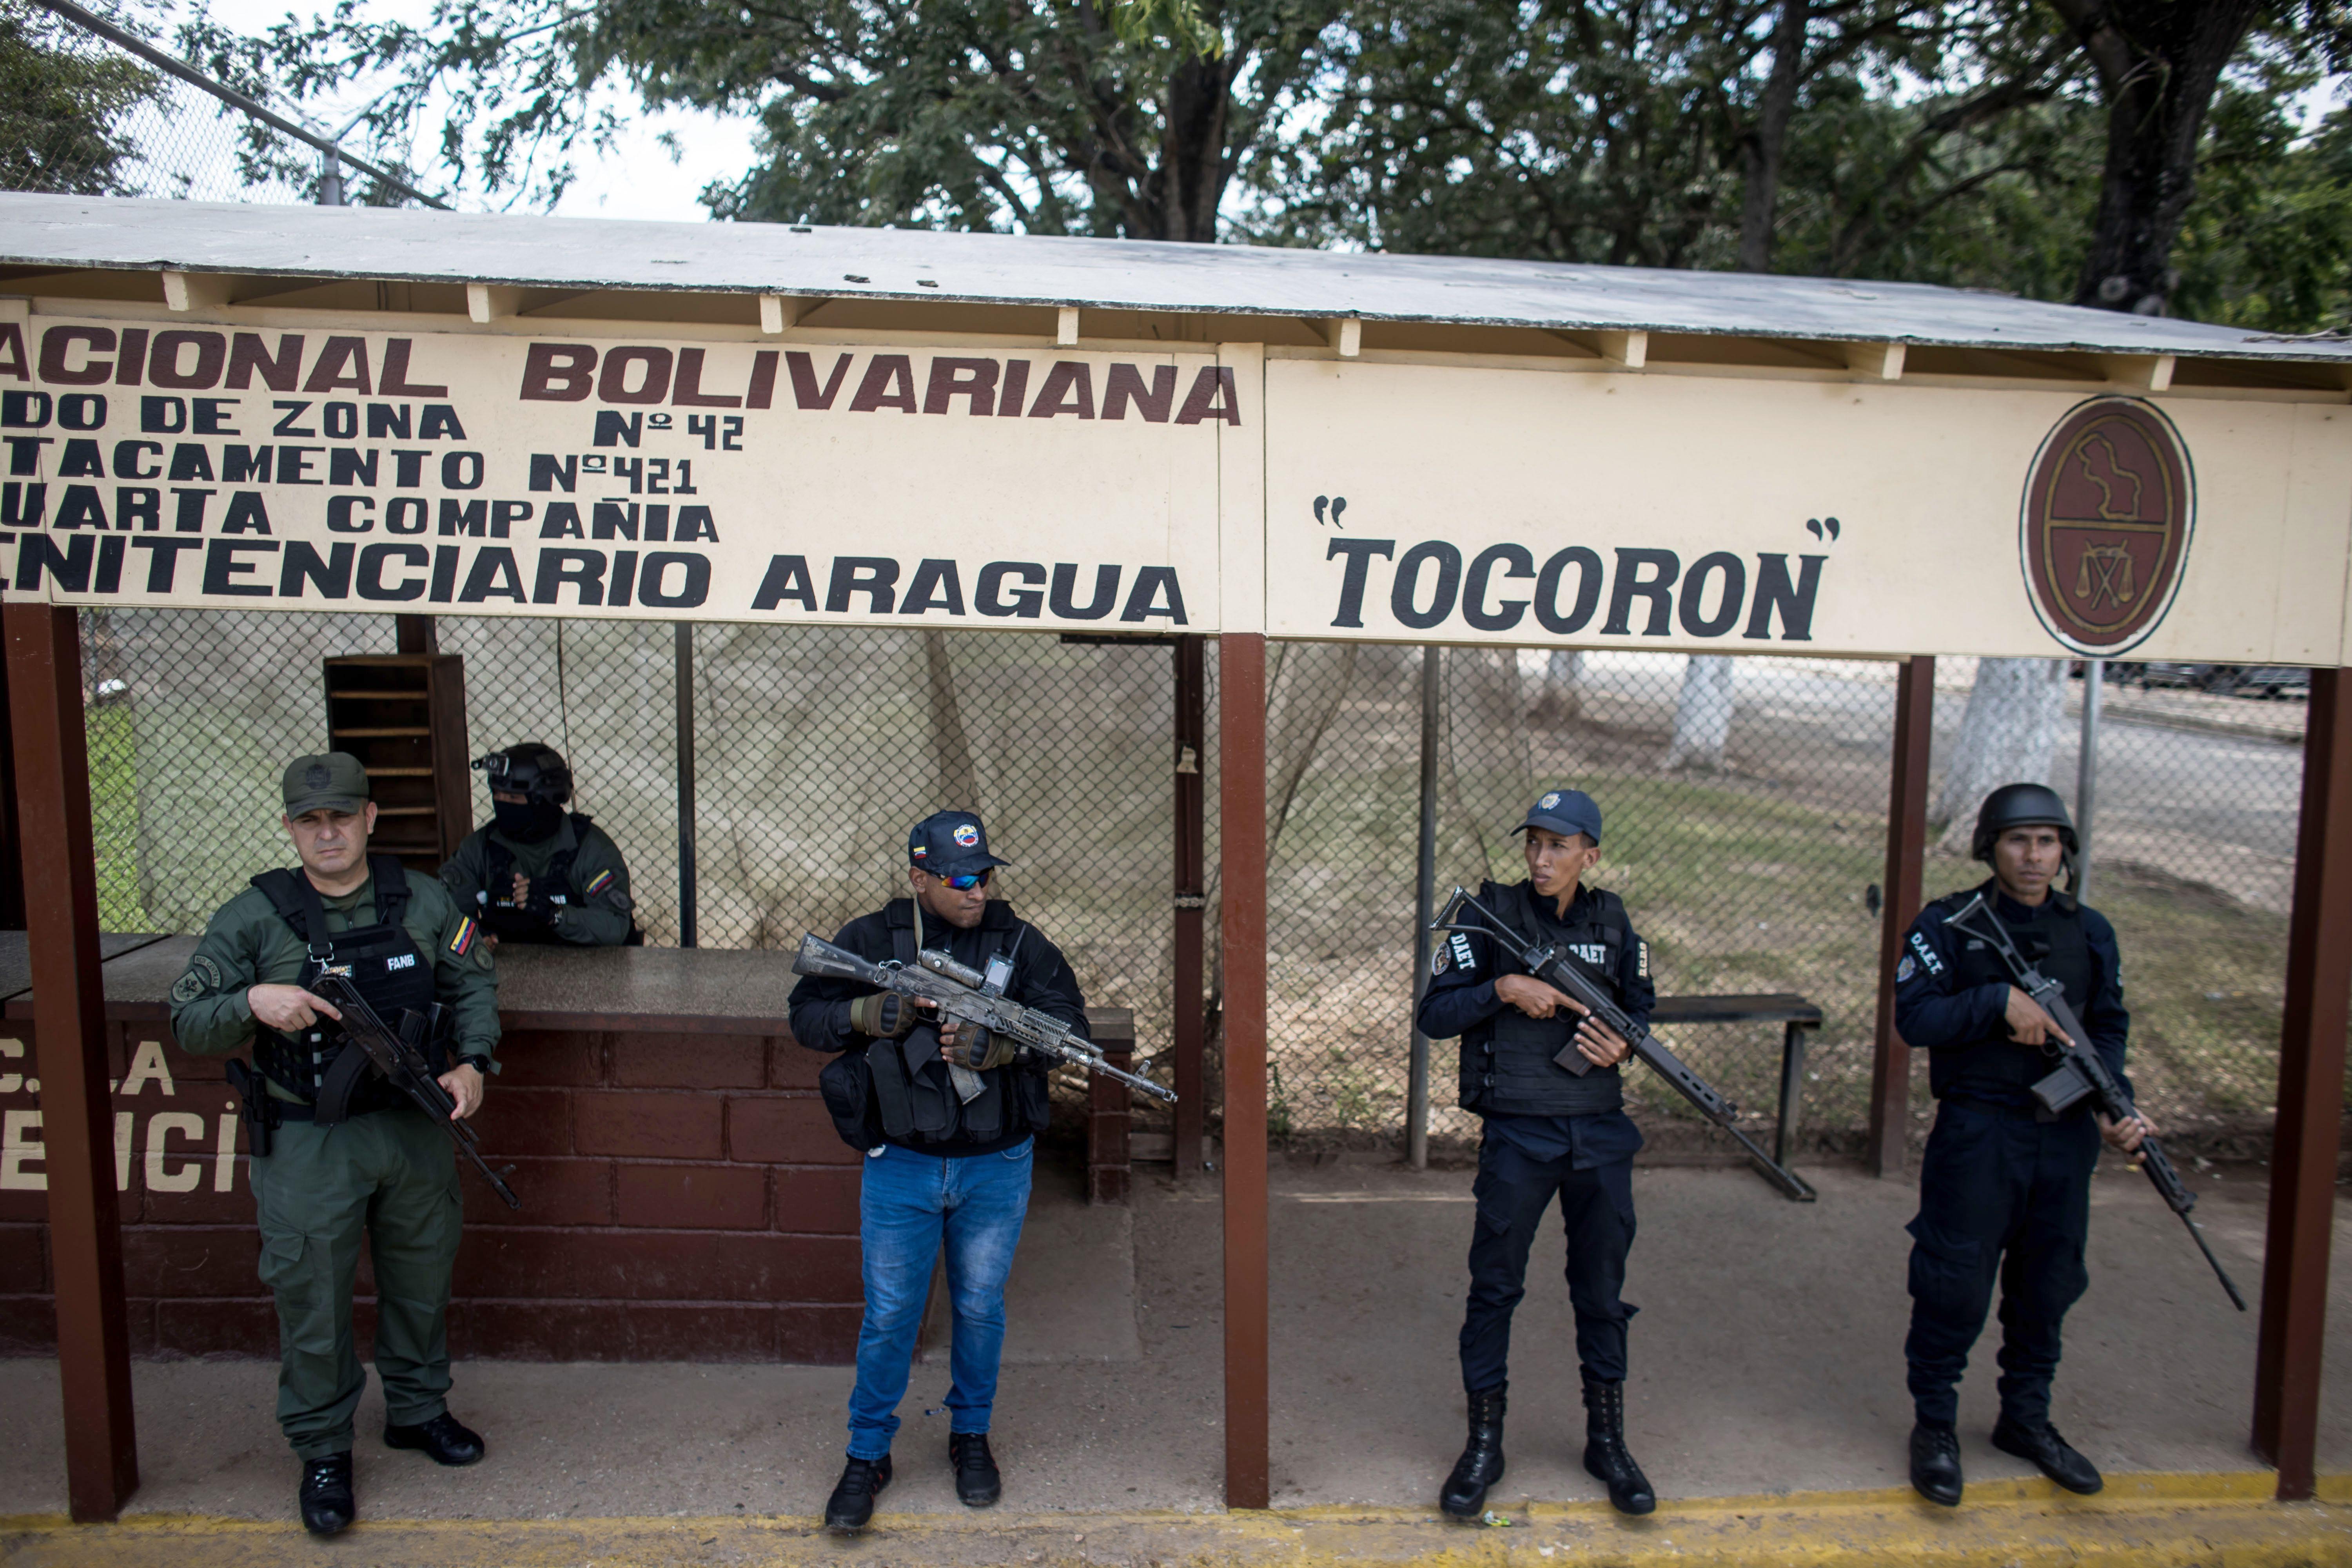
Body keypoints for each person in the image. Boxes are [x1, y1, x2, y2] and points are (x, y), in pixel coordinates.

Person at [167, 753, 503, 1536]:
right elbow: (188, 1016)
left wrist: (472, 1061)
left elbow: (473, 984)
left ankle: (418, 1410)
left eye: (342, 817)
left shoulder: (421, 900)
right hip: (308, 1139)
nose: (328, 832)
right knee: (313, 1294)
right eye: (311, 821)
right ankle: (322, 1448)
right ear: (289, 827)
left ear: (370, 819)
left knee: (421, 1275)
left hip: (413, 1128)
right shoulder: (254, 917)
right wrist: (254, 997)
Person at [786, 810, 1088, 1532]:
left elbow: (1070, 1029)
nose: (976, 890)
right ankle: (867, 1454)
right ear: (919, 877)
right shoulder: (871, 939)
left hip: (996, 1164)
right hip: (903, 1166)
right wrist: (869, 1011)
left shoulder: (1020, 943)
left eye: (984, 875)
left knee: (980, 1308)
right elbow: (805, 1015)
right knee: (891, 1315)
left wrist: (1004, 1050)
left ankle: (970, 1437)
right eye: (959, 878)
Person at [1894, 782, 2150, 1507]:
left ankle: (2026, 1419)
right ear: (1991, 848)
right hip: (1980, 1131)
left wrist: (2117, 1102)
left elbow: (2108, 1026)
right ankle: (1935, 1426)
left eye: (2047, 841)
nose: (2034, 855)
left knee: (2048, 1284)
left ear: (2064, 851)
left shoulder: (2091, 931)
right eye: (2018, 840)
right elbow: (1915, 1018)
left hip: (2064, 1139)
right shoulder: (1949, 924)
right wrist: (1996, 1002)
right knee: (1954, 1281)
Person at [1416, 789, 1657, 1519]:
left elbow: (1640, 1008)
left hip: (1600, 1134)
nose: (1542, 858)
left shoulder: (1614, 921)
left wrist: (1625, 1041)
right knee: (1496, 1287)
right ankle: (1484, 1443)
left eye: (1559, 846)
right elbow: (1434, 1014)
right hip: (1520, 1134)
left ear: (1592, 854)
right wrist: (1503, 986)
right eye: (1534, 843)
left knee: (1602, 1293)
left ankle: (1607, 1440)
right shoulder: (1486, 917)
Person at [438, 742, 641, 947]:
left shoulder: (590, 848)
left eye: (512, 797)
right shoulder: (480, 847)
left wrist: (555, 914)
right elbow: (444, 915)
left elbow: (615, 928)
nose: (501, 803)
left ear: (544, 800)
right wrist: (473, 936)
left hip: (590, 972)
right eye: (496, 794)